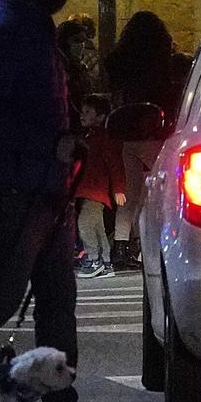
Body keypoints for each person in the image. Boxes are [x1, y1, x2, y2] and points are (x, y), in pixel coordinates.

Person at [0, 0, 128, 402]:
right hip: (16, 189)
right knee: (1, 298)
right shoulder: (6, 34)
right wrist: (52, 142)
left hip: (45, 190)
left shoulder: (29, 29)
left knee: (57, 302)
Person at [104, 11, 190, 264]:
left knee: (131, 193)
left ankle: (120, 247)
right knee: (166, 190)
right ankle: (148, 248)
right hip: (154, 129)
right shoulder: (161, 64)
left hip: (126, 130)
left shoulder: (120, 62)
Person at [74, 97, 125, 277]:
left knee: (85, 224)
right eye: (83, 111)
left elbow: (114, 164)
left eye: (88, 112)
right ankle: (106, 262)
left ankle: (93, 259)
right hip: (88, 191)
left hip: (95, 191)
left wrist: (119, 188)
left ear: (101, 116)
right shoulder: (87, 137)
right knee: (97, 226)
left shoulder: (102, 138)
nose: (82, 115)